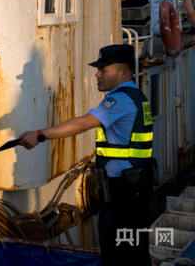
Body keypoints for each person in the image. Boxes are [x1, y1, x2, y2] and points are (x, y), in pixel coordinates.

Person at [16, 44, 154, 266]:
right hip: (136, 185)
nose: (97, 74)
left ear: (123, 73)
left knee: (116, 254)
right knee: (134, 251)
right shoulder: (136, 96)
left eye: (104, 70)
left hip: (122, 192)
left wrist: (39, 135)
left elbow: (82, 124)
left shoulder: (120, 100)